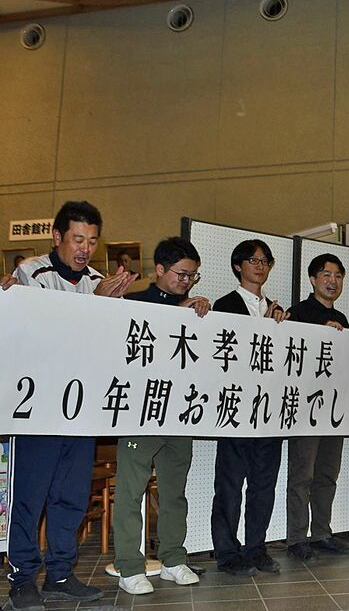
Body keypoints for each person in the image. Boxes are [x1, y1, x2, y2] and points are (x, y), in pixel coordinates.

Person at [5, 201, 136, 611]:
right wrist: (96, 302)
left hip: (83, 409)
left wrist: (114, 307)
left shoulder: (99, 279)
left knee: (72, 496)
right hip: (38, 407)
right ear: (57, 237)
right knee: (31, 495)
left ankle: (60, 573)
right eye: (77, 239)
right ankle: (23, 578)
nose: (85, 249)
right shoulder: (31, 272)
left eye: (92, 241)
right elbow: (46, 329)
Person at [113, 237, 210, 595]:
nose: (186, 282)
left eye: (193, 276)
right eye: (182, 274)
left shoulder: (195, 309)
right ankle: (128, 566)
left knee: (174, 493)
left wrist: (196, 311)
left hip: (180, 414)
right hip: (140, 412)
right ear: (160, 270)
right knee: (131, 491)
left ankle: (173, 559)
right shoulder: (133, 303)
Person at [210, 239, 290, 576]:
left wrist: (281, 328)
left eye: (265, 261)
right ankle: (227, 551)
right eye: (252, 260)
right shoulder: (224, 304)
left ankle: (257, 547)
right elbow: (225, 355)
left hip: (269, 411)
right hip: (235, 410)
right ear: (237, 266)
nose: (259, 265)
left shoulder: (278, 311)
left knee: (264, 484)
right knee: (229, 485)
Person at [285, 253, 349, 559]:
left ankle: (321, 534)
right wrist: (320, 333)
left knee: (327, 474)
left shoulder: (342, 319)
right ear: (313, 279)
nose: (333, 281)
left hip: (334, 410)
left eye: (338, 276)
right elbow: (289, 359)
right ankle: (295, 539)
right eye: (326, 275)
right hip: (305, 409)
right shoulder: (298, 313)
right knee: (302, 475)